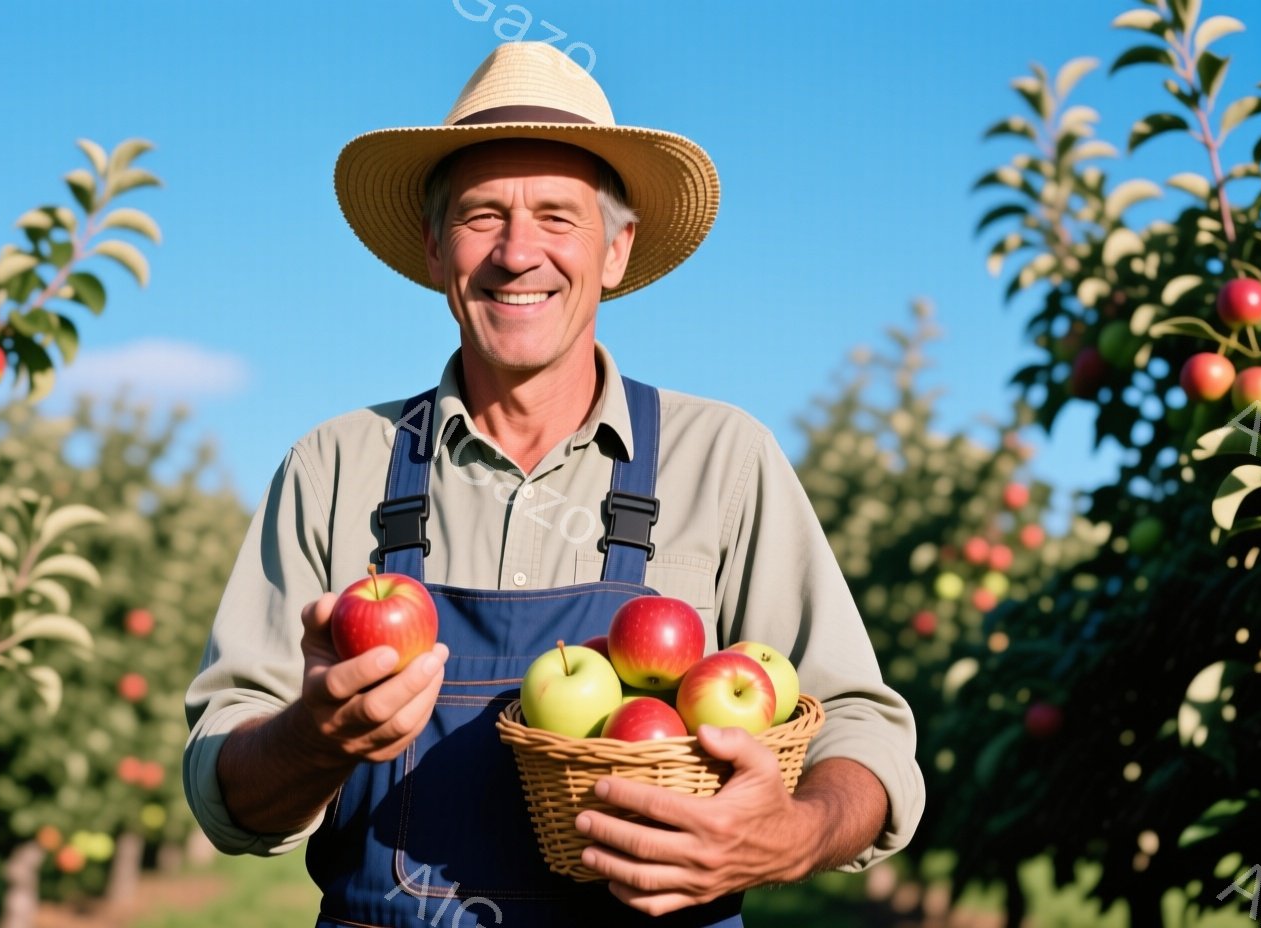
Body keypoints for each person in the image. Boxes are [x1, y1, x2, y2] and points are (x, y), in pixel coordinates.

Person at [184, 41, 924, 928]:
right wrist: (309, 742)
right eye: (482, 215)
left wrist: (795, 833)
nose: (517, 252)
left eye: (558, 217)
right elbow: (227, 787)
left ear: (616, 251)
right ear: (432, 249)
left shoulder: (722, 458)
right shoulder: (337, 466)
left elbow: (860, 731)